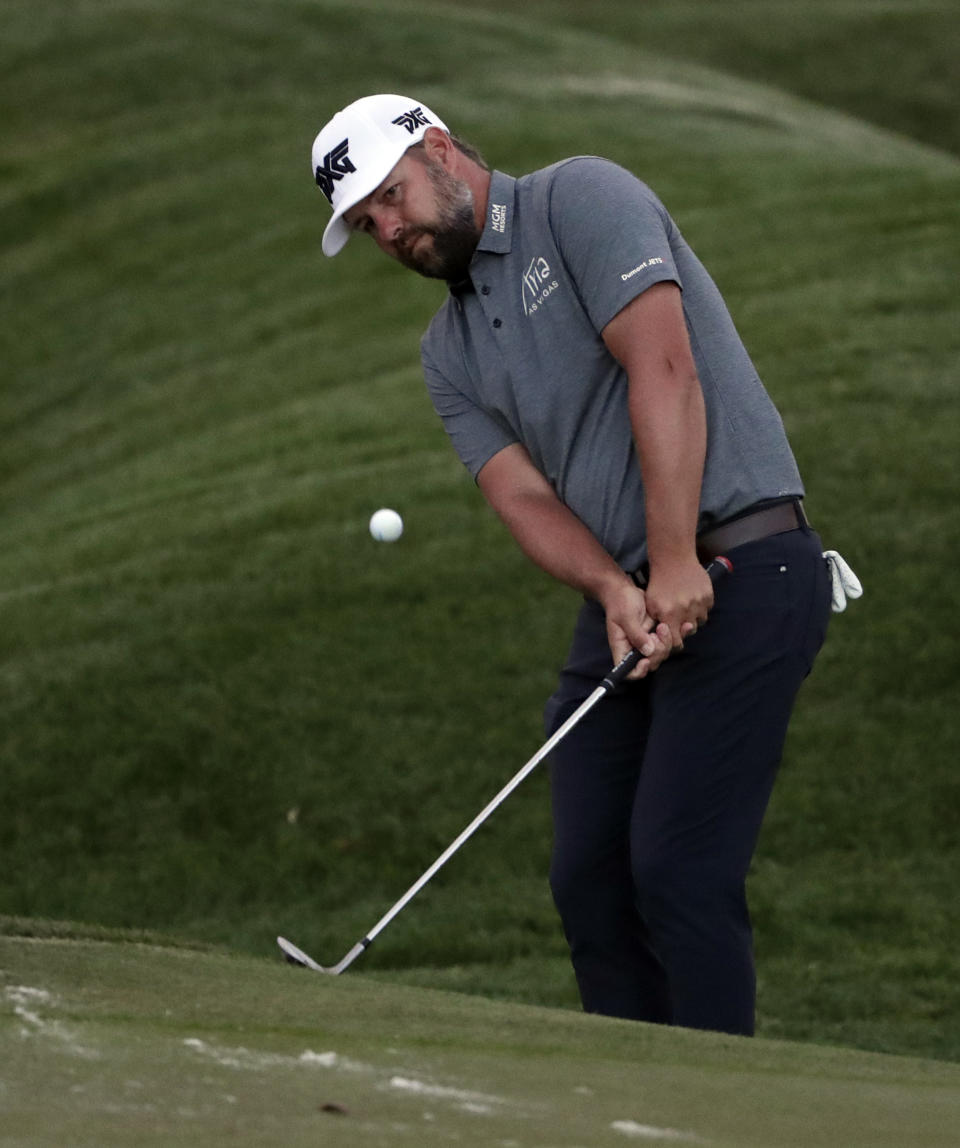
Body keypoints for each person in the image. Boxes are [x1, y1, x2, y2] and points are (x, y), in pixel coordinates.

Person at [310, 93, 833, 1036]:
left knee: (678, 866)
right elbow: (523, 499)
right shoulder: (448, 351)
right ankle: (624, 1100)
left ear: (438, 151)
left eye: (389, 199)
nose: (388, 230)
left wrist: (674, 560)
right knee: (588, 877)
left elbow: (664, 370)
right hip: (635, 593)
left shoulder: (580, 199)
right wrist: (611, 588)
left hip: (751, 565)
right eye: (366, 223)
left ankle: (722, 1104)